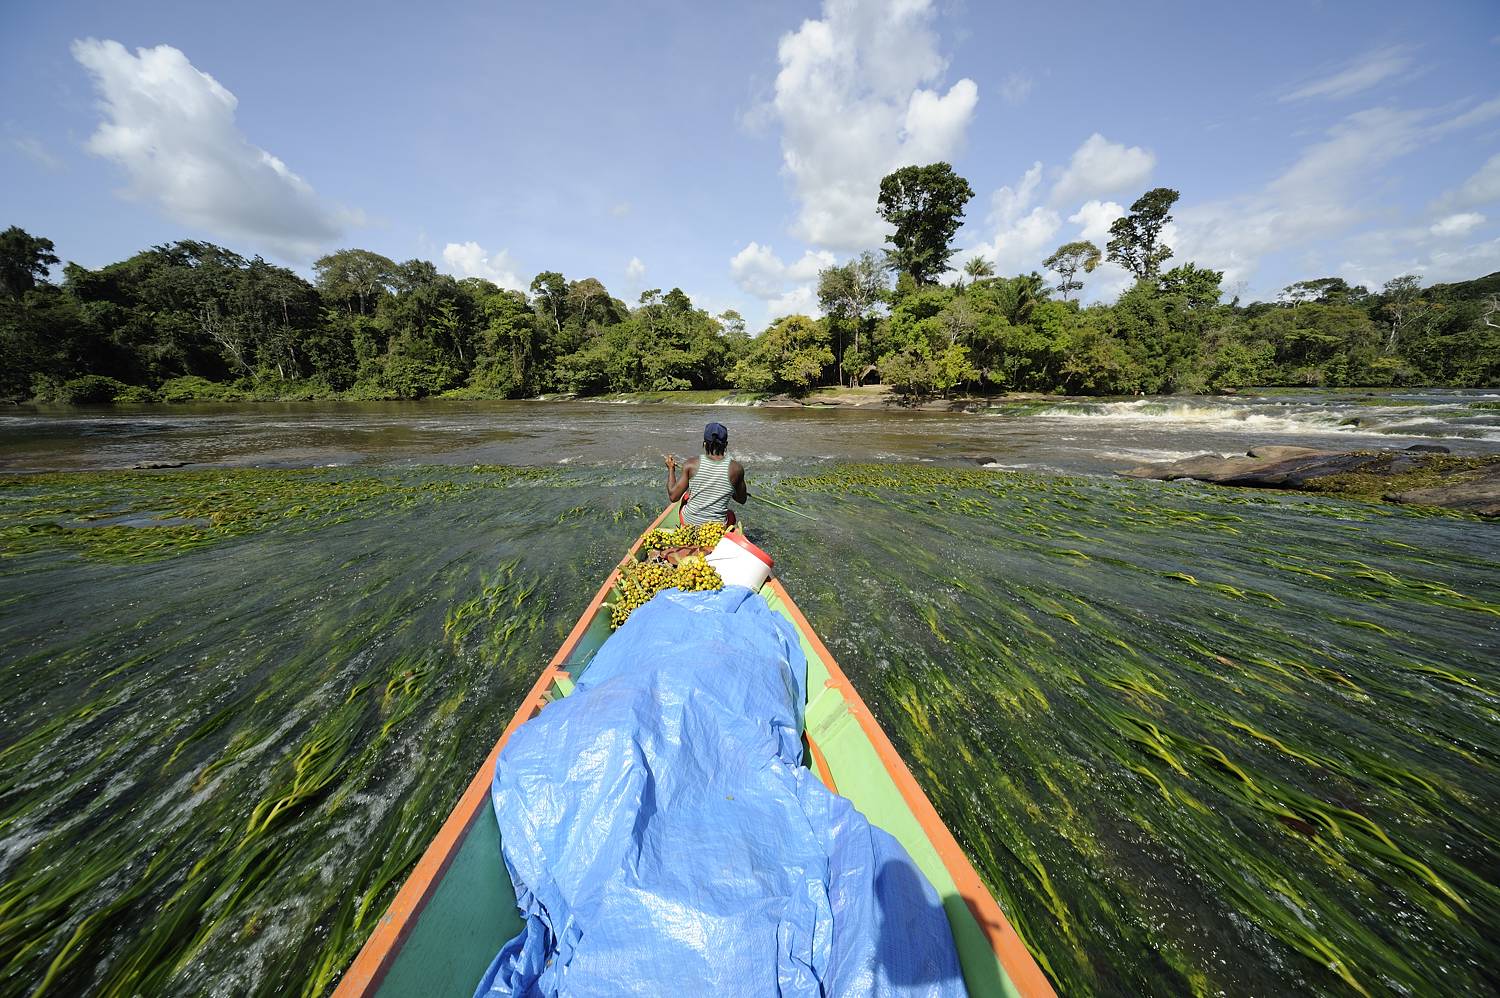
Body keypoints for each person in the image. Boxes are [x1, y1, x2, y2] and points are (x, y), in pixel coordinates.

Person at [665, 422, 747, 526]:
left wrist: (671, 469)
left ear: (704, 443)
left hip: (688, 523)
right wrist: (731, 489)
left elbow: (673, 497)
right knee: (731, 515)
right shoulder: (736, 469)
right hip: (716, 528)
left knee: (685, 497)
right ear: (726, 444)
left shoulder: (691, 464)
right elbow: (742, 499)